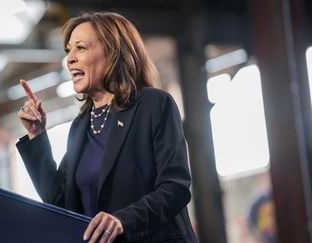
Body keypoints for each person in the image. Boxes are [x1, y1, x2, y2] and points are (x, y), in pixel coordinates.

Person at [16, 11, 198, 243]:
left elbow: (175, 188)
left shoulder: (154, 105)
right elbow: (60, 202)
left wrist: (123, 220)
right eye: (68, 50)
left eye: (80, 48)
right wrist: (36, 135)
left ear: (112, 52)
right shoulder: (80, 126)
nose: (70, 58)